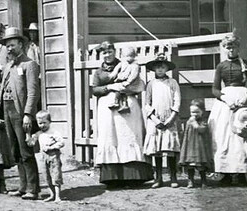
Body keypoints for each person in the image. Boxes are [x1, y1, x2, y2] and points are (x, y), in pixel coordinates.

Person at [90, 40, 152, 186]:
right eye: (104, 53)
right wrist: (110, 88)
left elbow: (138, 84)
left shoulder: (126, 65)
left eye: (110, 52)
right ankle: (113, 178)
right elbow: (95, 90)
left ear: (115, 52)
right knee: (110, 137)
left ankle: (134, 176)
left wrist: (126, 89)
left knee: (129, 136)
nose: (107, 55)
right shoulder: (99, 72)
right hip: (107, 107)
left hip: (127, 105)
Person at [0, 26, 41, 199]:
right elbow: (1, 91)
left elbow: (33, 92)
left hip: (21, 113)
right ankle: (22, 186)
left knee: (26, 150)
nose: (9, 48)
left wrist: (28, 114)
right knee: (15, 151)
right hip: (8, 111)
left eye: (12, 45)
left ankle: (33, 189)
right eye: (7, 46)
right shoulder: (8, 66)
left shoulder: (30, 65)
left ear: (20, 44)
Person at [209, 32, 247, 186]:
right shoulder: (221, 66)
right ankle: (225, 173)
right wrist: (225, 99)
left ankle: (242, 173)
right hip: (226, 101)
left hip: (242, 99)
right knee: (224, 135)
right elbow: (215, 89)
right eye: (228, 47)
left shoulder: (246, 64)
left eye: (234, 47)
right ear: (224, 48)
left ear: (238, 48)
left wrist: (246, 97)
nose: (231, 50)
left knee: (241, 135)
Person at [142, 53, 181, 188]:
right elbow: (147, 103)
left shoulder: (173, 83)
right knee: (156, 149)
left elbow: (177, 100)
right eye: (157, 67)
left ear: (167, 69)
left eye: (163, 67)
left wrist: (171, 118)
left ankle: (173, 177)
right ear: (154, 69)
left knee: (170, 148)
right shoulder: (151, 84)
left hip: (169, 118)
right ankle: (158, 177)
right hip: (156, 120)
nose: (160, 70)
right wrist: (154, 119)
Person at [179, 99, 214, 188]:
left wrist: (195, 124)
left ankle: (203, 181)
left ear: (202, 112)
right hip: (190, 147)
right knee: (190, 166)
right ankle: (190, 180)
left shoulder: (203, 121)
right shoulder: (189, 121)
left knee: (201, 166)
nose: (194, 114)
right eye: (192, 112)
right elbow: (186, 134)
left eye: (197, 112)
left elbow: (202, 130)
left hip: (200, 147)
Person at [31, 110, 64, 202]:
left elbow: (61, 142)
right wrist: (31, 138)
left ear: (50, 121)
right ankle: (52, 194)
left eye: (44, 123)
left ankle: (58, 196)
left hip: (53, 156)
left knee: (56, 175)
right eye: (40, 123)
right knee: (46, 176)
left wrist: (51, 147)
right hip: (43, 156)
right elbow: (32, 143)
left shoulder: (54, 132)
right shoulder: (39, 133)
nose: (42, 125)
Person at [108, 48, 144, 113]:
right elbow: (117, 68)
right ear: (123, 56)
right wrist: (114, 74)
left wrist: (128, 82)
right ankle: (117, 102)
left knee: (122, 89)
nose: (128, 58)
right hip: (123, 80)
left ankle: (125, 104)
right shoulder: (123, 63)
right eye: (126, 56)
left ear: (134, 56)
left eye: (131, 56)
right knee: (118, 89)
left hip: (132, 83)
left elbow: (133, 75)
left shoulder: (135, 65)